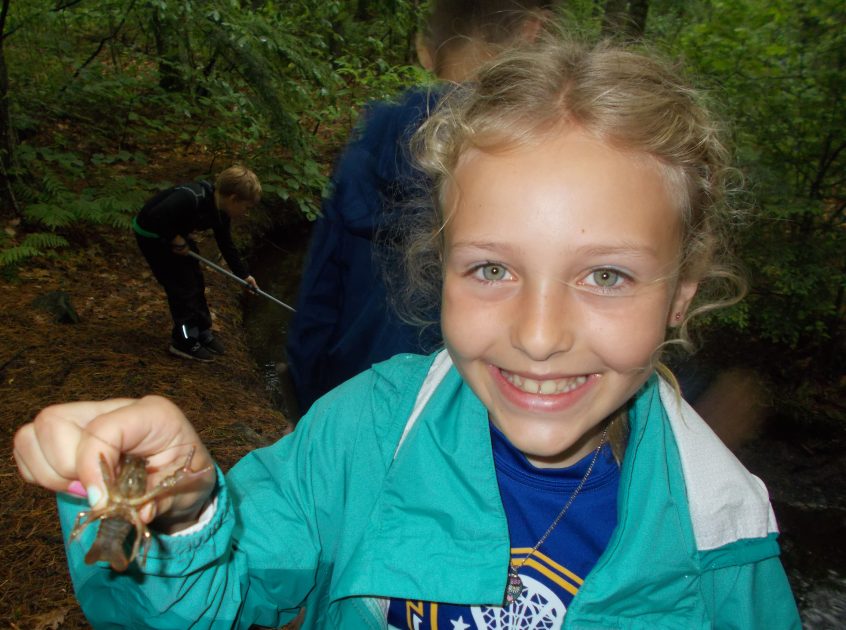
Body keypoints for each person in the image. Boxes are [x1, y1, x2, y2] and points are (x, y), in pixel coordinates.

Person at [13, 35, 801, 628]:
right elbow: (207, 594)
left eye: (607, 276)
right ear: (442, 264)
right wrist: (180, 513)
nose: (536, 334)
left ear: (679, 299)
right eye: (492, 269)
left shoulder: (725, 531)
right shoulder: (366, 432)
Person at [286, 1, 554, 415]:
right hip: (468, 415)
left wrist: (312, 413)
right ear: (532, 32)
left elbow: (318, 299)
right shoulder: (534, 151)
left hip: (354, 401)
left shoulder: (372, 138)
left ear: (424, 49)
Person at [133, 165, 261, 362]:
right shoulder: (191, 197)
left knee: (196, 281)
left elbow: (226, 244)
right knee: (182, 288)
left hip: (175, 233)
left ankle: (201, 330)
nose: (246, 212)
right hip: (153, 236)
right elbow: (155, 217)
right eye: (246, 206)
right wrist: (175, 238)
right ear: (234, 198)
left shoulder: (221, 212)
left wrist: (243, 275)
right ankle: (182, 339)